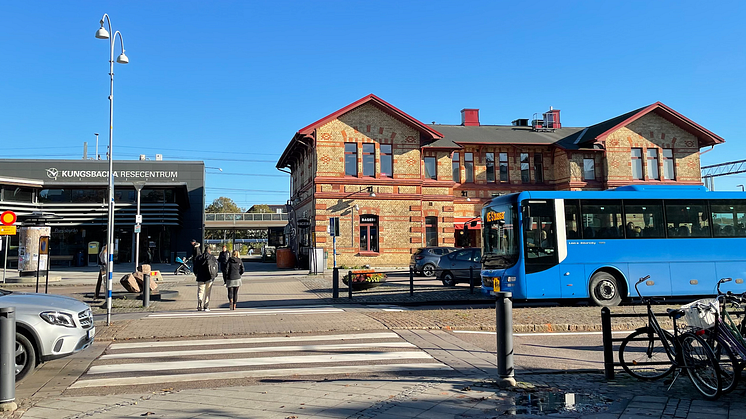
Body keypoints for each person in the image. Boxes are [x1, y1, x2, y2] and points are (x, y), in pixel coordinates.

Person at [194, 246, 218, 311]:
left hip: (200, 277)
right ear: (209, 251)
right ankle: (206, 306)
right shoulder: (212, 258)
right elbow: (216, 267)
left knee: (200, 291)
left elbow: (195, 267)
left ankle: (199, 304)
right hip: (209, 277)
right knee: (208, 292)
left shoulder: (199, 258)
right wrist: (214, 275)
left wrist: (196, 274)